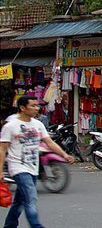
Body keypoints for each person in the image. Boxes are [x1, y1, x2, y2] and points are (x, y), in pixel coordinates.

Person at [0, 96, 75, 228]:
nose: (36, 108)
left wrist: (64, 155)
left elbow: (49, 142)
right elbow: (2, 149)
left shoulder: (38, 124)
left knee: (20, 200)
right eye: (33, 106)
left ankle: (9, 225)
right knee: (31, 198)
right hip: (18, 167)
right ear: (22, 108)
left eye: (37, 105)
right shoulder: (11, 126)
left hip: (33, 167)